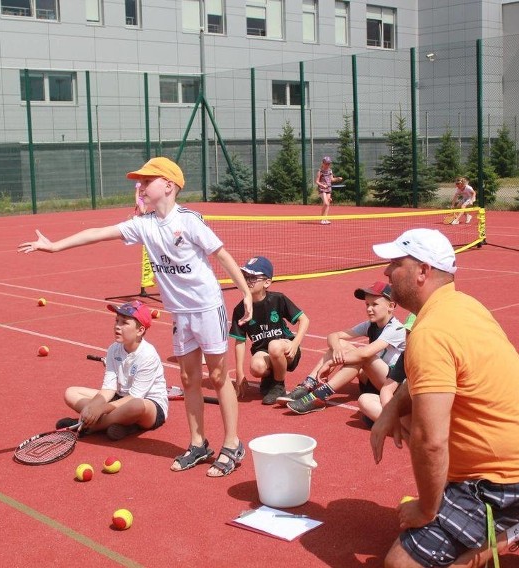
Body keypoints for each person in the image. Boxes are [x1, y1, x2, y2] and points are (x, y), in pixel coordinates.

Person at [19, 156, 253, 477]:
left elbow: (223, 256)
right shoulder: (143, 225)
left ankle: (231, 443)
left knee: (217, 376)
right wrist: (55, 246)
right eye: (140, 182)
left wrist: (247, 293)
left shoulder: (189, 221)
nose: (140, 186)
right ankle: (198, 444)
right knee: (188, 380)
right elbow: (98, 232)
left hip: (206, 308)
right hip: (181, 315)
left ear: (168, 186)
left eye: (146, 181)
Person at [370, 228, 519, 568]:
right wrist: (390, 411)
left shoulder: (431, 333)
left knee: (400, 565)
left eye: (395, 264)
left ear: (422, 272)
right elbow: (417, 382)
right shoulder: (462, 305)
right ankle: (509, 517)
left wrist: (427, 508)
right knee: (408, 415)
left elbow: (430, 441)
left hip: (505, 481)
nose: (386, 272)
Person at [279, 281, 406, 415]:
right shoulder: (370, 325)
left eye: (375, 304)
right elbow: (333, 336)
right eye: (367, 304)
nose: (369, 309)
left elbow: (365, 353)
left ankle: (320, 396)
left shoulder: (396, 329)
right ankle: (309, 384)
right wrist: (337, 348)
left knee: (363, 356)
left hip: (391, 386)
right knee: (343, 345)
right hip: (373, 379)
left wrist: (332, 362)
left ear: (391, 307)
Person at [56, 301, 168, 440]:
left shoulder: (148, 354)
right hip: (119, 398)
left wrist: (101, 409)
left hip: (148, 406)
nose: (117, 326)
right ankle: (123, 425)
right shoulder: (113, 349)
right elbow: (109, 388)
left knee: (136, 406)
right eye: (116, 321)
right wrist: (94, 406)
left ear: (140, 330)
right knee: (71, 393)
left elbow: (135, 397)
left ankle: (90, 426)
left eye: (124, 323)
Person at [229, 256, 310, 405]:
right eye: (245, 276)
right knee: (256, 367)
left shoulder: (277, 299)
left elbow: (304, 319)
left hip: (286, 349)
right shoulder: (240, 309)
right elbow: (240, 341)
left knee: (274, 346)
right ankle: (270, 378)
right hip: (263, 351)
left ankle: (278, 385)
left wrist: (295, 344)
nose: (247, 280)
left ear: (267, 282)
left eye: (253, 277)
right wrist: (239, 373)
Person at [357, 313, 415, 427]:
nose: (409, 337)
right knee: (364, 400)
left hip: (428, 410)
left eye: (413, 333)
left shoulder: (435, 358)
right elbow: (387, 390)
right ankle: (397, 425)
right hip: (406, 406)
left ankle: (397, 426)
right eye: (407, 333)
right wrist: (388, 413)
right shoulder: (406, 356)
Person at [315, 156, 343, 225]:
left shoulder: (330, 171)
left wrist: (337, 179)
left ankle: (325, 219)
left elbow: (332, 179)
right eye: (326, 163)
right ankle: (322, 219)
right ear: (323, 163)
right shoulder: (320, 171)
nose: (328, 165)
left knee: (327, 204)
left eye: (329, 163)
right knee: (326, 203)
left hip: (328, 189)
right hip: (322, 189)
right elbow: (316, 181)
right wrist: (322, 185)